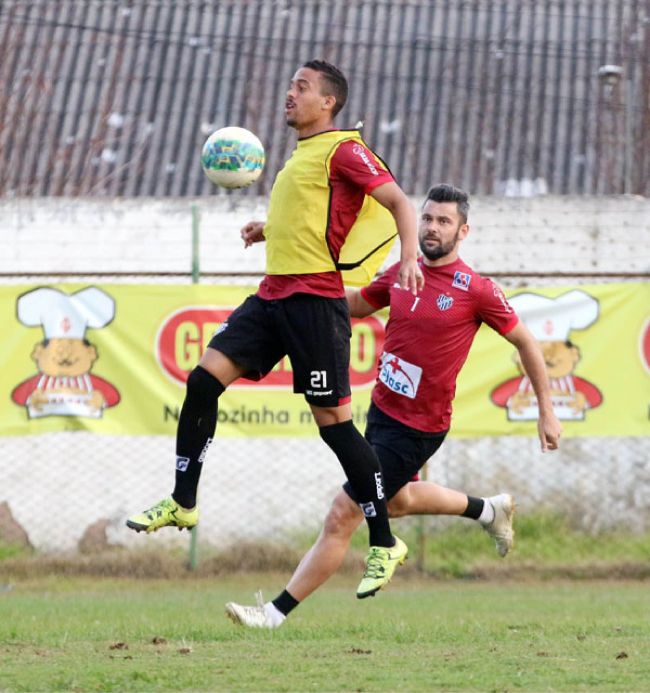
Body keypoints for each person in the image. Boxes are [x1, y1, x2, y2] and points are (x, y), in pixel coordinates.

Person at [126, 59, 424, 599]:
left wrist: (408, 259)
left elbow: (400, 201)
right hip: (273, 294)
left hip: (314, 301)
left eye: (301, 87)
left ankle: (384, 540)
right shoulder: (302, 154)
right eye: (290, 85)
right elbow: (316, 216)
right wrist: (271, 229)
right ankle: (183, 502)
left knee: (335, 426)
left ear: (328, 101)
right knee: (202, 380)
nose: (290, 94)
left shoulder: (343, 149)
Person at [224, 183, 563, 628]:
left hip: (419, 428)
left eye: (444, 221)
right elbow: (358, 303)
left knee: (344, 512)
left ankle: (272, 614)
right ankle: (488, 509)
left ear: (463, 231)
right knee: (396, 500)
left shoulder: (475, 290)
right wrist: (297, 295)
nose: (432, 227)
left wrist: (546, 408)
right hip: (381, 414)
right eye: (427, 218)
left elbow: (526, 342)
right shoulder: (403, 273)